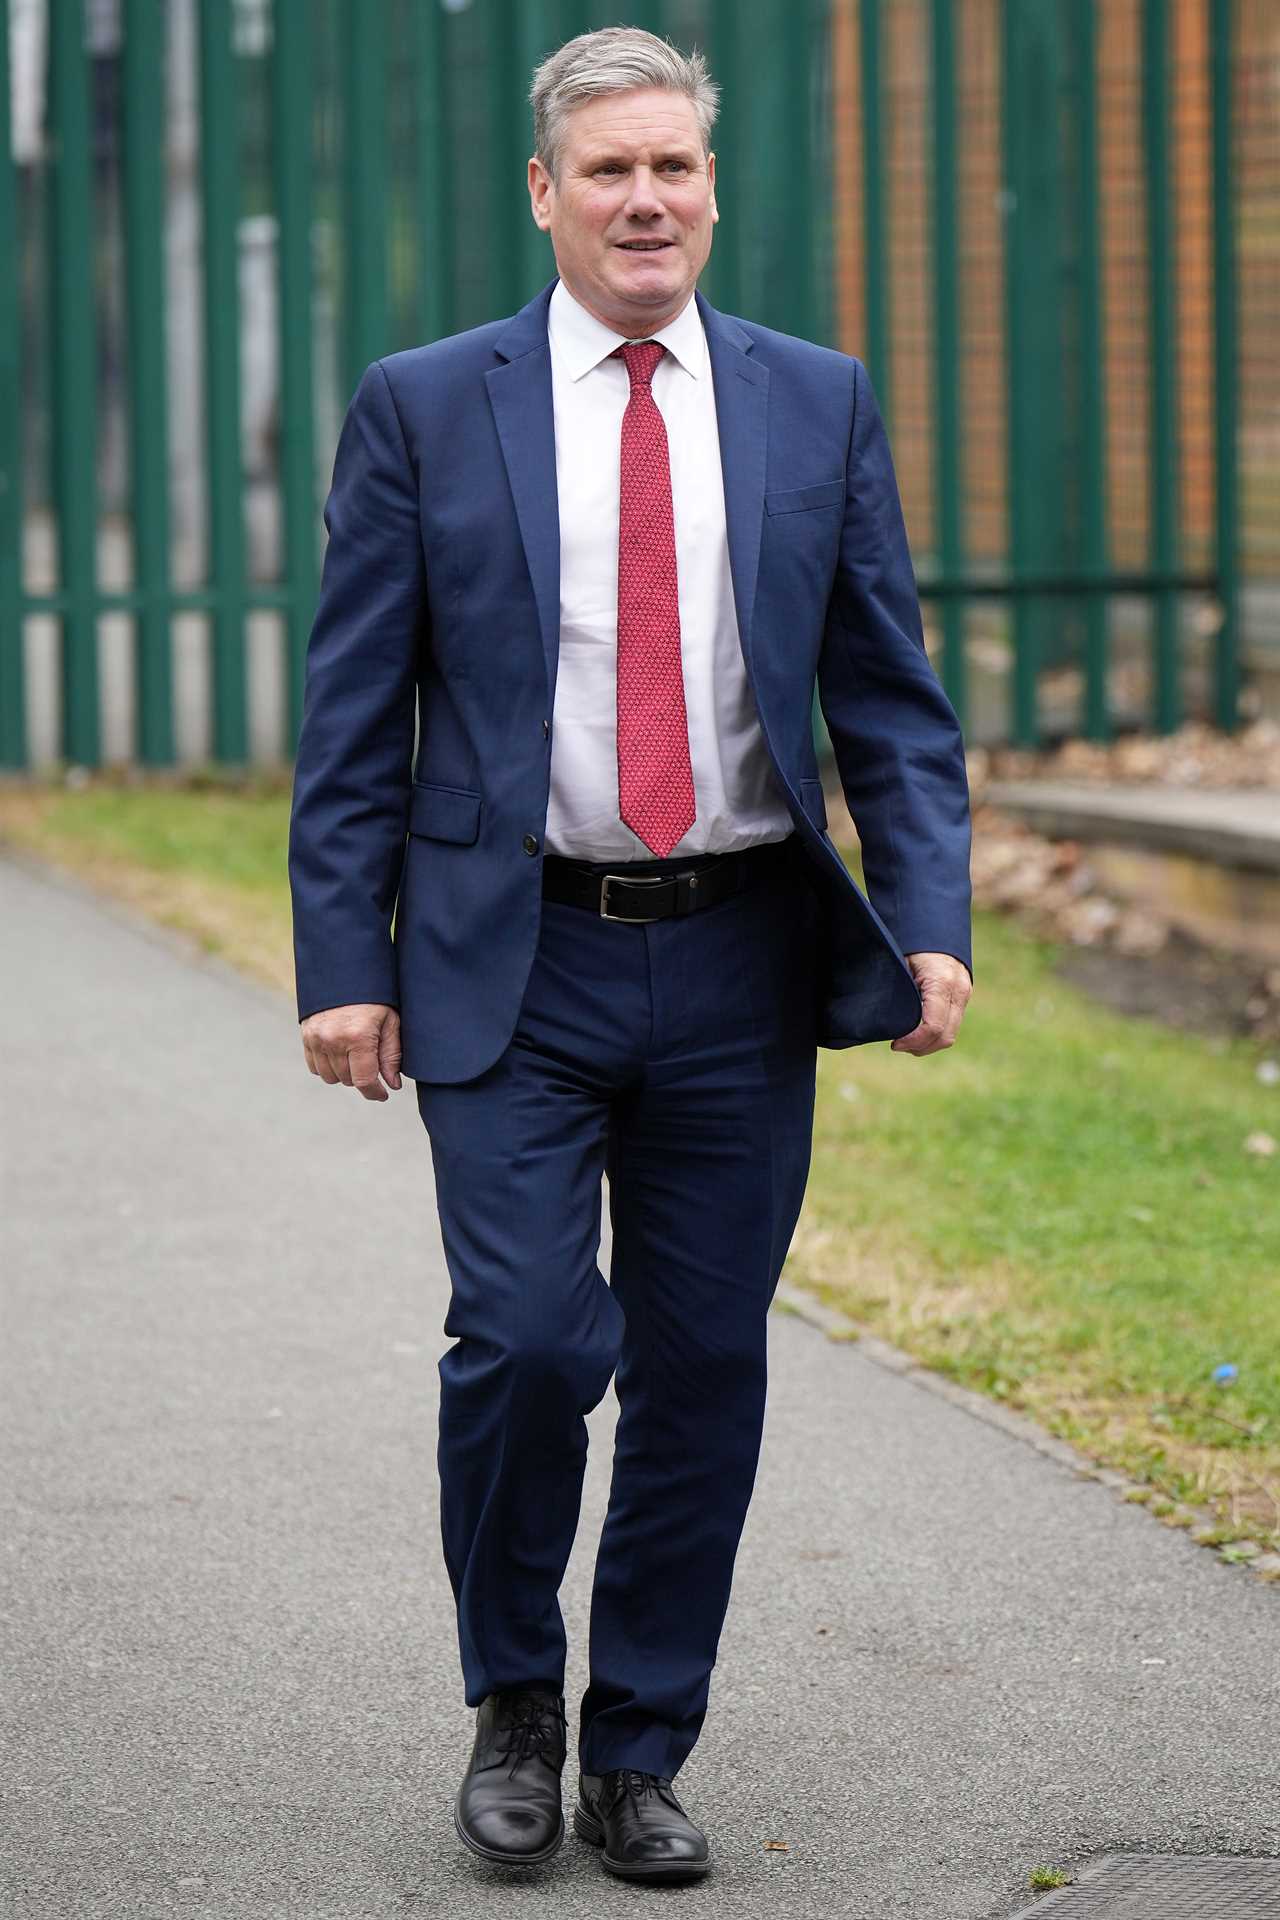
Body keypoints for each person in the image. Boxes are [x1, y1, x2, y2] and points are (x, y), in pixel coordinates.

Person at [287, 24, 973, 1886]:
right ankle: (515, 1693)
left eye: (672, 166)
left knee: (704, 1365)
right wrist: (343, 960)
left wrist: (924, 912)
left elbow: (889, 694)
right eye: (609, 170)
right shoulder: (431, 402)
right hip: (517, 955)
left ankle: (637, 1744)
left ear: (712, 185)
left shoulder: (814, 399)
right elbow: (357, 713)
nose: (645, 197)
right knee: (523, 1339)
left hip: (742, 954)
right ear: (546, 193)